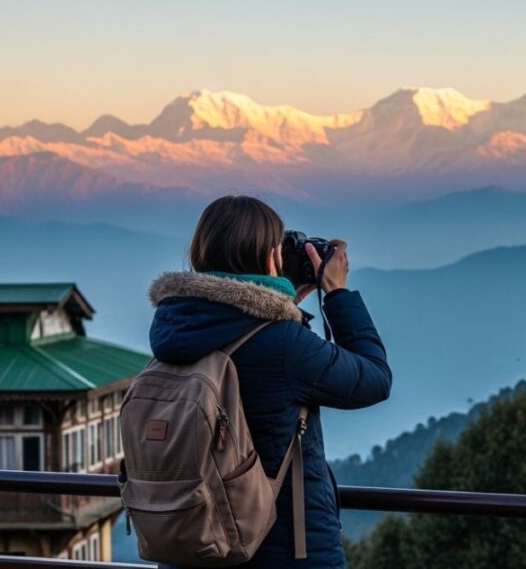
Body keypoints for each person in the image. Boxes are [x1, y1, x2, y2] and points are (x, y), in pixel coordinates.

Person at [147, 195, 392, 568]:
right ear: (270, 258)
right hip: (283, 552)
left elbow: (238, 327)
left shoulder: (173, 331)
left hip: (193, 545)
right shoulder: (283, 344)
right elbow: (374, 379)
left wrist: (284, 302)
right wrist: (338, 294)